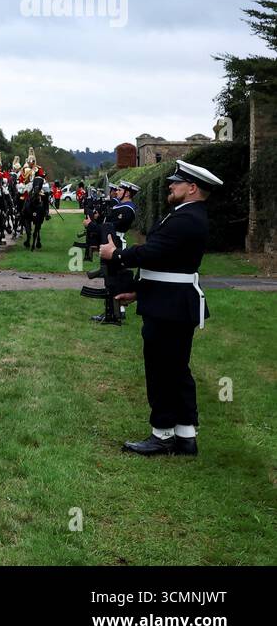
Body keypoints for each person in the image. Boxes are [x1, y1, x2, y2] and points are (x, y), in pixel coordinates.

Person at [99, 160, 223, 457]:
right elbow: (167, 267)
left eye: (177, 182)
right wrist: (139, 292)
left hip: (170, 306)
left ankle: (162, 435)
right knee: (176, 369)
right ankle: (185, 436)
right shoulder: (185, 215)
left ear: (192, 188)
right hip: (169, 301)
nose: (170, 185)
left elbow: (153, 253)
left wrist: (116, 255)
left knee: (162, 370)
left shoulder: (187, 218)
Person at [85, 181, 139, 325]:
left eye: (120, 190)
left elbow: (110, 226)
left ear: (127, 193)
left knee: (113, 281)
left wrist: (91, 225)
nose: (117, 192)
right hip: (112, 242)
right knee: (110, 280)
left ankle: (115, 313)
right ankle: (112, 312)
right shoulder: (120, 206)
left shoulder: (127, 209)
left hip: (116, 243)